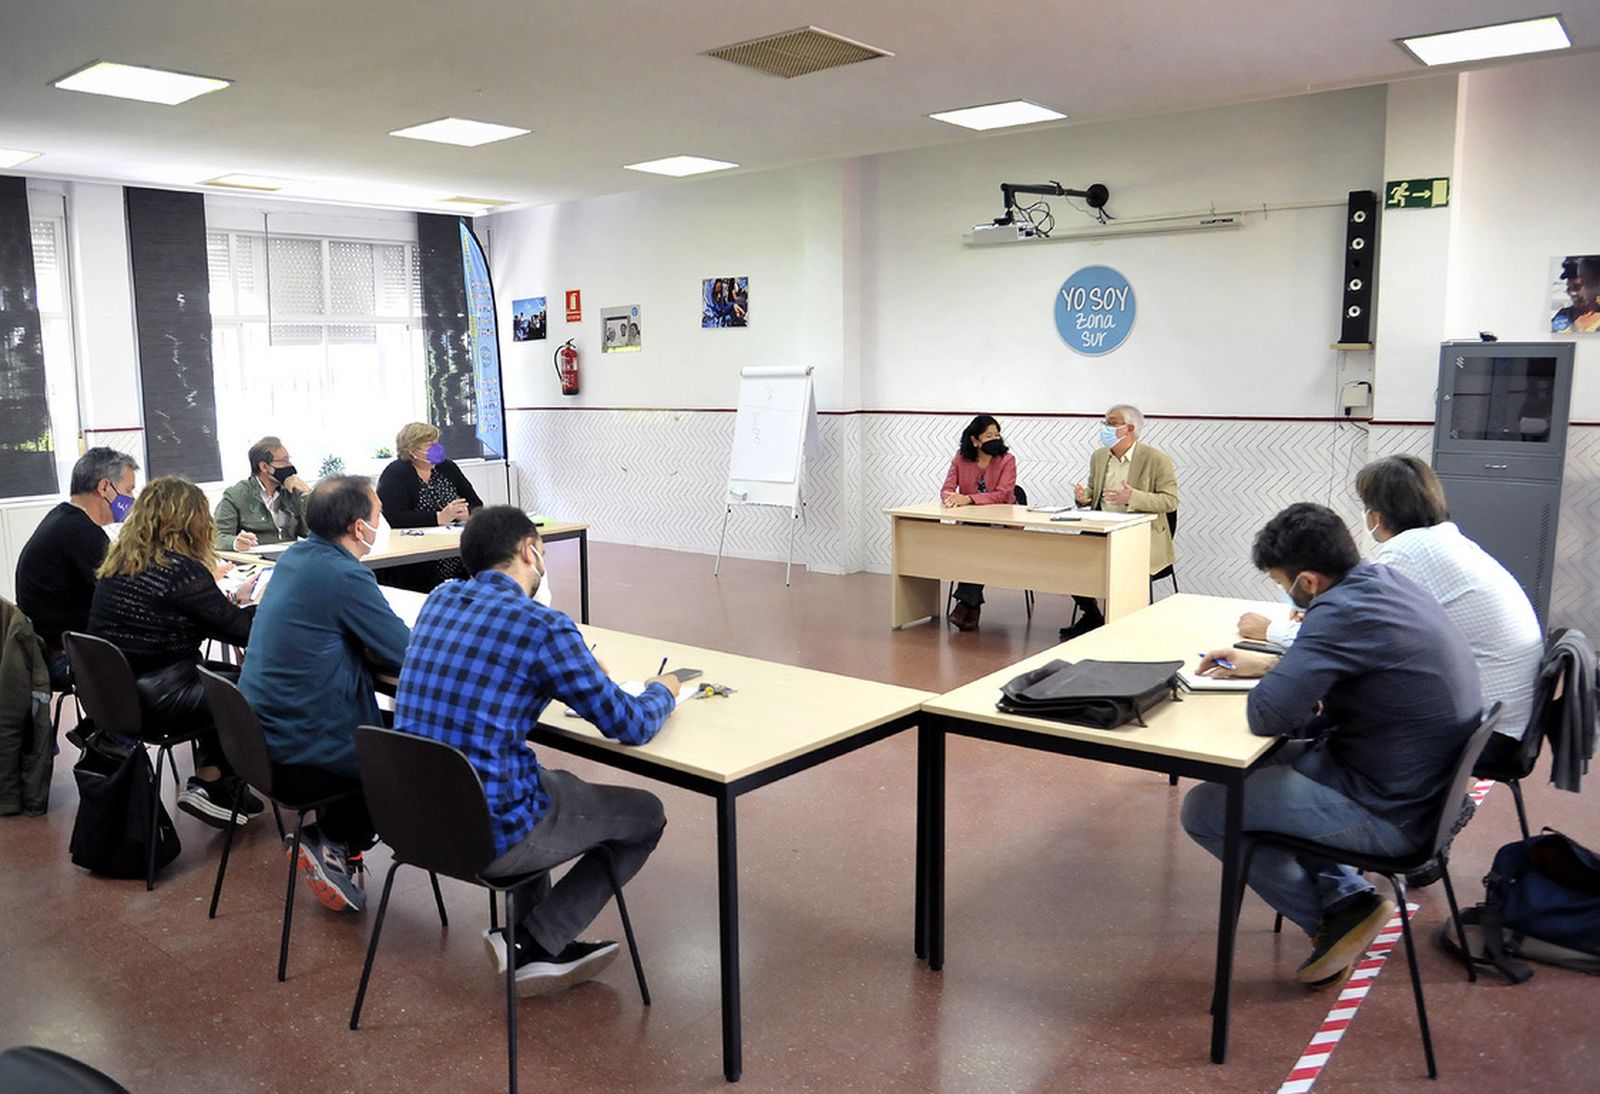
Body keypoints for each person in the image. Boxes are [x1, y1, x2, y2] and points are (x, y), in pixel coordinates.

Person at [1181, 503, 1482, 987]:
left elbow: (1268, 715)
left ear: (1309, 581)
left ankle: (1333, 917)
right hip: (1417, 785)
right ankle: (1347, 896)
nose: (1286, 595)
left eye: (1282, 583)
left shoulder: (1340, 612)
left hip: (1394, 812)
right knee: (1264, 768)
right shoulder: (1384, 583)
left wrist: (1291, 673)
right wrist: (1282, 667)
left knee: (1206, 809)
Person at [393, 506, 680, 995]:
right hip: (490, 833)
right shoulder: (544, 627)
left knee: (547, 781)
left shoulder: (439, 600)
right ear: (531, 550)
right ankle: (532, 943)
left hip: (417, 817)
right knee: (646, 815)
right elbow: (627, 725)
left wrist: (576, 666)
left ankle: (533, 942)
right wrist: (664, 690)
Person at [1239, 456, 1542, 757]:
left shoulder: (1405, 554)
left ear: (1375, 517)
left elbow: (1349, 637)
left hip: (1482, 729)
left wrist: (1271, 631)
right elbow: (1366, 634)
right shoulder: (1445, 540)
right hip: (1504, 715)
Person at [239, 475, 411, 913]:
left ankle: (336, 841)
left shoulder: (295, 557)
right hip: (300, 747)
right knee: (404, 751)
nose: (381, 521)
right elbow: (406, 653)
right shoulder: (345, 576)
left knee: (376, 724)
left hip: (256, 740)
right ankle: (336, 841)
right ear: (358, 527)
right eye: (378, 514)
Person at [87, 477, 264, 828]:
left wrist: (222, 602)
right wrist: (256, 604)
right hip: (159, 698)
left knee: (219, 675)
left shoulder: (120, 562)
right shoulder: (180, 571)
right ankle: (212, 782)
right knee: (251, 687)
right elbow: (241, 632)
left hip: (119, 695)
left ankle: (220, 782)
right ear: (190, 521)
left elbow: (194, 617)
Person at [14, 447, 139, 692]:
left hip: (51, 648)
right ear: (104, 488)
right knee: (162, 660)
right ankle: (122, 729)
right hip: (64, 658)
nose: (132, 499)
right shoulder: (79, 532)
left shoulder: (63, 518)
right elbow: (125, 595)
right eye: (128, 490)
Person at [1062, 404, 1179, 639]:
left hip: (1139, 534)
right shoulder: (1099, 456)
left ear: (1131, 428)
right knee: (1069, 563)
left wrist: (1132, 497)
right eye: (1104, 422)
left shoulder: (1156, 459)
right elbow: (1094, 492)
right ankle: (1092, 615)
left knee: (1126, 570)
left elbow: (1170, 501)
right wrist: (1083, 497)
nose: (1105, 428)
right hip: (1101, 530)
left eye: (1112, 423)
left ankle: (1127, 623)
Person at [375, 422, 484, 591]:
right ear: (413, 452)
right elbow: (394, 517)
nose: (437, 449)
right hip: (418, 557)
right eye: (430, 446)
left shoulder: (448, 467)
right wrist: (439, 517)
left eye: (437, 444)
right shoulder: (395, 472)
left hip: (455, 547)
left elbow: (477, 504)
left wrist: (468, 514)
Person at [940, 415, 1016, 631]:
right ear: (975, 441)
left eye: (997, 435)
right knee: (976, 543)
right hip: (972, 524)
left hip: (1001, 524)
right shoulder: (961, 458)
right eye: (989, 436)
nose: (995, 439)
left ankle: (964, 604)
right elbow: (947, 487)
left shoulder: (1007, 459)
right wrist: (950, 498)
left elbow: (1003, 494)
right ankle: (972, 606)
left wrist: (969, 498)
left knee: (975, 543)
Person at [213, 436, 311, 551]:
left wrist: (308, 496)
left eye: (288, 459)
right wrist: (235, 543)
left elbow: (316, 532)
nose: (289, 465)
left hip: (289, 558)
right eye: (284, 461)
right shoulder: (235, 495)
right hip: (255, 561)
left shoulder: (292, 490)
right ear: (264, 467)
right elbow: (217, 537)